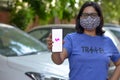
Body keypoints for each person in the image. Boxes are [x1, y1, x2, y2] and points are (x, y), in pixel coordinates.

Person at [47, 1, 120, 80]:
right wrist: (55, 51)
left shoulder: (107, 41)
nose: (89, 18)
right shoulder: (71, 39)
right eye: (85, 15)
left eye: (93, 15)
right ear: (80, 18)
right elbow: (58, 60)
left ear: (100, 18)